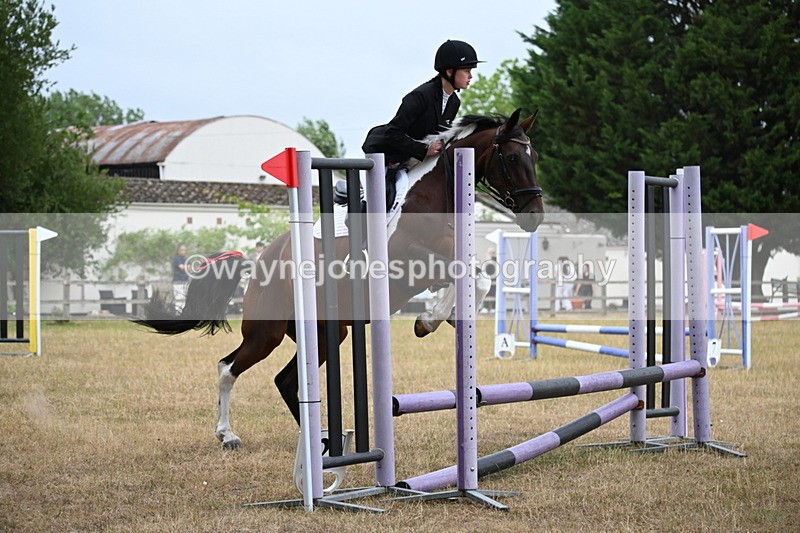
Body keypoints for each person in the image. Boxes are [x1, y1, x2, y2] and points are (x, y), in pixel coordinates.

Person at [362, 39, 483, 207]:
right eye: (467, 70)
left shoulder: (454, 102)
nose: (471, 76)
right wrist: (424, 149)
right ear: (449, 71)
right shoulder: (419, 97)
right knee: (377, 204)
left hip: (414, 161)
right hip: (386, 158)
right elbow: (392, 133)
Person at [172, 243, 189, 311]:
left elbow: (190, 267)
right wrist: (187, 267)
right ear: (178, 251)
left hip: (185, 281)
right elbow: (182, 267)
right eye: (182, 250)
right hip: (178, 282)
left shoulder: (186, 259)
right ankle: (178, 314)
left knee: (184, 299)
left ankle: (183, 315)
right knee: (179, 299)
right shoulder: (177, 258)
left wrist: (187, 267)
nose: (183, 252)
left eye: (184, 250)